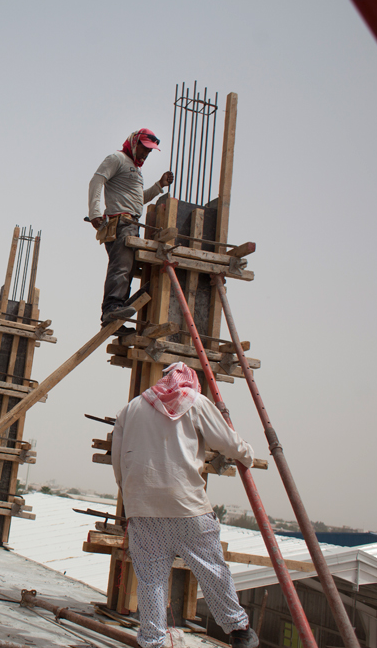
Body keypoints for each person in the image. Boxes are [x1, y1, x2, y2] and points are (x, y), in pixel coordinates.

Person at [111, 362, 259, 648]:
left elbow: (119, 461)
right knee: (211, 569)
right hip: (187, 506)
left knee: (151, 579)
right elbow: (227, 442)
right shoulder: (194, 402)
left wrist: (130, 495)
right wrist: (248, 455)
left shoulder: (131, 408)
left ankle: (153, 640)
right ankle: (238, 630)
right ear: (190, 381)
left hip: (143, 508)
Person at [88, 129, 174, 327]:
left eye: (149, 151)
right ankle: (111, 309)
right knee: (121, 267)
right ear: (134, 142)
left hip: (131, 223)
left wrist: (159, 185)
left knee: (128, 270)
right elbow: (96, 180)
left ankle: (115, 320)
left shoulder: (135, 169)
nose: (146, 154)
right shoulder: (117, 158)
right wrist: (94, 213)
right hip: (121, 223)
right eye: (144, 149)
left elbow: (137, 201)